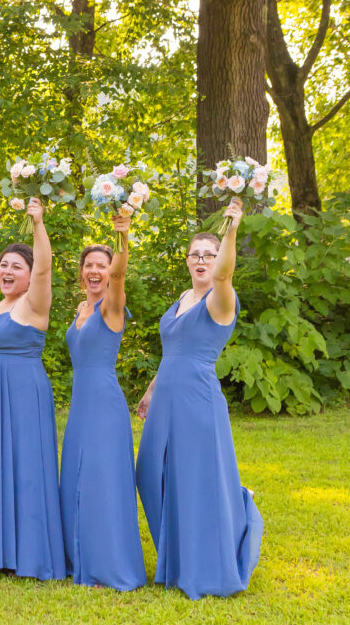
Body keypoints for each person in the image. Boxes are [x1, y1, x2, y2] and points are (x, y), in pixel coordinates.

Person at [135, 198, 263, 599]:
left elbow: (224, 276)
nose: (203, 260)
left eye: (210, 254)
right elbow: (173, 348)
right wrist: (151, 389)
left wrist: (232, 228)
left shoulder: (219, 300)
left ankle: (204, 561)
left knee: (194, 481)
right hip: (166, 400)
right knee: (150, 473)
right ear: (187, 260)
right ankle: (175, 556)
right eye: (196, 255)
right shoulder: (181, 300)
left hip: (196, 401)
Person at [0, 198, 66, 580]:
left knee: (23, 465)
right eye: (3, 264)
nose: (7, 270)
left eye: (16, 266)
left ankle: (29, 552)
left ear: (29, 274)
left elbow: (45, 268)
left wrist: (38, 223)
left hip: (20, 394)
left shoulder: (33, 303)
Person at [58, 215, 146, 590]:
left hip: (105, 407)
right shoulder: (80, 309)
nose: (95, 270)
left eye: (102, 265)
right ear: (81, 272)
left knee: (102, 480)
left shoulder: (111, 306)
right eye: (89, 265)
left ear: (110, 270)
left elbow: (122, 278)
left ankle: (107, 565)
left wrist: (123, 237)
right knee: (76, 479)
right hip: (80, 408)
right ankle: (78, 556)